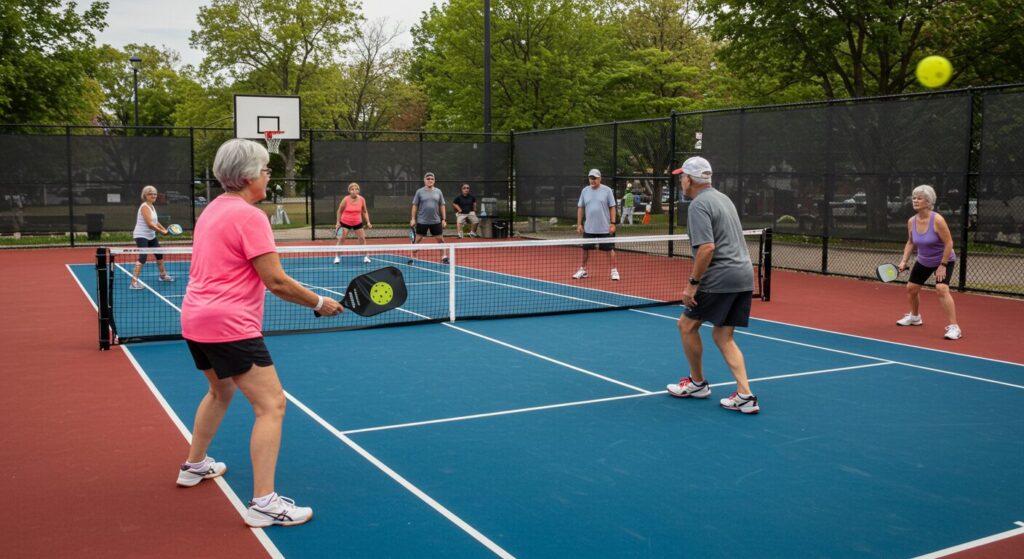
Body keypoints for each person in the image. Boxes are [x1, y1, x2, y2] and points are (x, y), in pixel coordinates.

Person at [177, 139, 343, 528]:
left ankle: (194, 465)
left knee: (220, 391)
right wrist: (320, 303)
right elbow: (277, 282)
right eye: (266, 169)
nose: (269, 175)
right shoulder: (252, 217)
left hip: (195, 319)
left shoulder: (212, 210)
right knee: (272, 406)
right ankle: (264, 503)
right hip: (229, 324)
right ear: (250, 175)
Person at [665, 157, 759, 414]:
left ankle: (697, 384)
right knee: (723, 335)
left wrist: (692, 284)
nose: (680, 180)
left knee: (686, 325)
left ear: (690, 180)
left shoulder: (698, 206)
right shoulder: (723, 199)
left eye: (682, 176)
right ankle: (745, 395)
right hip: (743, 276)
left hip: (720, 277)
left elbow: (707, 248)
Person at [895, 184, 961, 340]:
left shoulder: (937, 220)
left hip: (944, 259)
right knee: (911, 289)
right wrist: (904, 260)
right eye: (914, 198)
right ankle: (915, 317)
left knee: (941, 289)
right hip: (924, 260)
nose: (915, 200)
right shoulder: (912, 221)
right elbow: (911, 242)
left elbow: (949, 243)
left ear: (929, 201)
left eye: (919, 198)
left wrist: (943, 265)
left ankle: (954, 327)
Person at [573, 169, 619, 280]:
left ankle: (614, 271)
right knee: (585, 249)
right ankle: (583, 270)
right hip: (589, 228)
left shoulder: (607, 191)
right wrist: (579, 224)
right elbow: (581, 208)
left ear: (600, 178)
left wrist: (613, 223)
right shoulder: (585, 191)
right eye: (590, 178)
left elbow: (612, 207)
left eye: (594, 178)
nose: (592, 180)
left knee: (609, 249)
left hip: (604, 228)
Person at [129, 185, 174, 289]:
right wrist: (162, 232)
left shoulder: (152, 206)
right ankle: (133, 283)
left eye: (155, 194)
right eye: (150, 194)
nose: (153, 195)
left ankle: (163, 275)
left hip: (151, 235)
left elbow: (155, 221)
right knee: (143, 257)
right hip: (141, 235)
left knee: (159, 254)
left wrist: (164, 229)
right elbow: (150, 224)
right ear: (145, 195)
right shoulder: (145, 206)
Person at [409, 171, 449, 264]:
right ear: (424, 180)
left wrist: (444, 219)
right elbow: (415, 205)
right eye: (428, 179)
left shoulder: (438, 191)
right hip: (422, 221)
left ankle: (444, 257)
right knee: (417, 240)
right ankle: (412, 258)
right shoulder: (419, 192)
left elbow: (442, 205)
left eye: (432, 179)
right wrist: (413, 219)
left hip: (436, 221)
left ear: (434, 181)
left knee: (440, 240)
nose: (430, 180)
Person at [333, 182, 372, 264]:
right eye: (352, 189)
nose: (354, 191)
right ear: (349, 191)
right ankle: (337, 257)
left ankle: (366, 257)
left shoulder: (362, 199)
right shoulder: (345, 199)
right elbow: (339, 211)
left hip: (357, 222)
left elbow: (364, 211)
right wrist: (337, 223)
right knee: (341, 239)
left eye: (356, 189)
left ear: (358, 191)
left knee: (362, 239)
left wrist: (368, 222)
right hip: (345, 222)